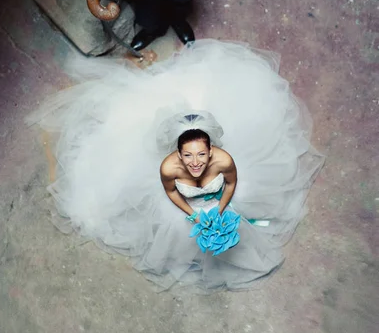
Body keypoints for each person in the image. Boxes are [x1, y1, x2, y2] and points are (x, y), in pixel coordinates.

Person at [28, 40, 324, 293]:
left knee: (250, 204)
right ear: (177, 153)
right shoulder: (169, 167)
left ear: (211, 149)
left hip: (216, 199)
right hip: (189, 204)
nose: (195, 163)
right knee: (174, 228)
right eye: (188, 156)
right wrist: (194, 217)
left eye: (201, 155)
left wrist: (220, 209)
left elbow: (230, 183)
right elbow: (173, 193)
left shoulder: (223, 160)